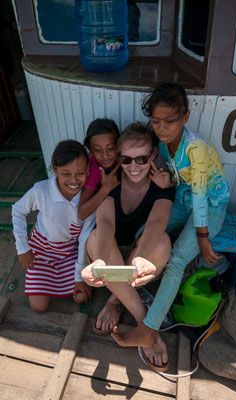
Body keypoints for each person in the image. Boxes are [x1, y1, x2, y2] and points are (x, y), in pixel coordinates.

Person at [111, 83, 230, 369]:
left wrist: (202, 236)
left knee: (177, 260)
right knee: (143, 235)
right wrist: (169, 182)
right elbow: (181, 179)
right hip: (186, 197)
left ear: (186, 116)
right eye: (156, 121)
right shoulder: (162, 142)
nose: (162, 128)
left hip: (210, 204)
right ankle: (133, 288)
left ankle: (148, 329)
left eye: (170, 121)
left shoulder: (196, 148)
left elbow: (202, 193)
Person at [81, 122, 175, 372]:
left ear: (153, 155)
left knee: (163, 241)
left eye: (142, 159)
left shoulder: (162, 184)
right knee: (95, 239)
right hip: (112, 255)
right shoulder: (111, 180)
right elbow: (105, 221)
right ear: (118, 158)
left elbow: (157, 222)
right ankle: (145, 324)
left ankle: (114, 301)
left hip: (136, 255)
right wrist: (99, 260)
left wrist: (142, 258)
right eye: (126, 159)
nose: (134, 167)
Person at [12, 140, 96, 312]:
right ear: (55, 169)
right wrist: (23, 248)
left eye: (80, 173)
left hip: (69, 253)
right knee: (38, 306)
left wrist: (79, 275)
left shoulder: (88, 199)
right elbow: (18, 210)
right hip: (40, 253)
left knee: (81, 298)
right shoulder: (42, 190)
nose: (73, 180)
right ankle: (43, 280)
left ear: (88, 170)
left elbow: (84, 237)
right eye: (66, 173)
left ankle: (67, 280)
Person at [78, 118, 120, 221]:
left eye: (110, 148)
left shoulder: (122, 156)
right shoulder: (93, 168)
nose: (105, 156)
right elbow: (81, 214)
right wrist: (106, 188)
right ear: (90, 149)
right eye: (97, 150)